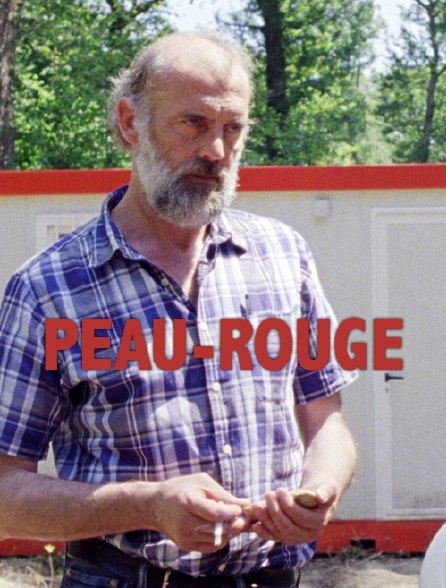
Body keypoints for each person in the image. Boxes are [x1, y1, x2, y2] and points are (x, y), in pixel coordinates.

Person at [0, 31, 358, 588]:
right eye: (193, 123)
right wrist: (149, 504)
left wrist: (322, 489)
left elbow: (327, 420)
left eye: (232, 128)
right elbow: (6, 492)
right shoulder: (48, 289)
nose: (216, 151)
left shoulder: (284, 256)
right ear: (130, 122)